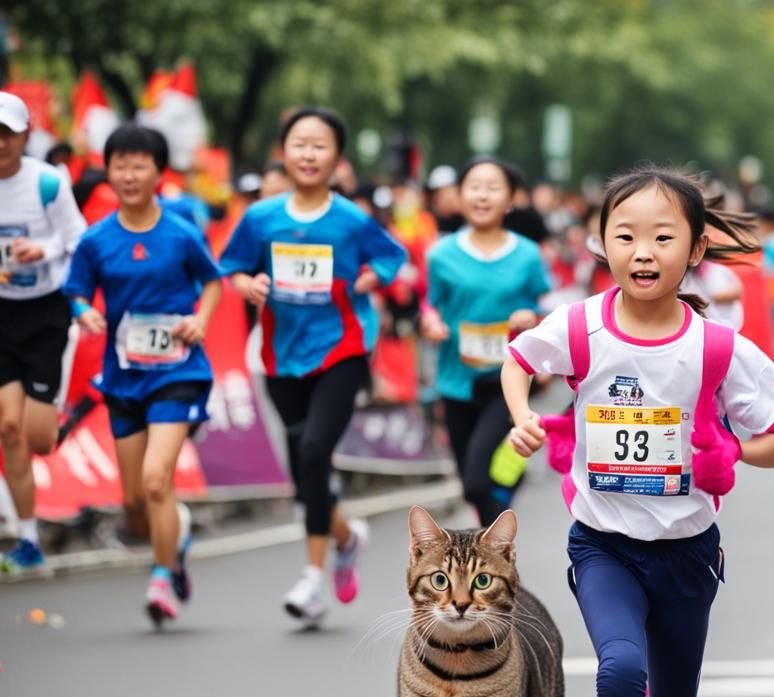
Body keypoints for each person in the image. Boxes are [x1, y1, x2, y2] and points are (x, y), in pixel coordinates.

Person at [502, 167, 774, 697]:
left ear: (694, 249)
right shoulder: (579, 328)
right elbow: (518, 361)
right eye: (625, 235)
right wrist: (524, 417)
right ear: (600, 244)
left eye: (663, 237)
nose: (643, 251)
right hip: (603, 544)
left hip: (686, 554)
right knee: (618, 672)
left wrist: (729, 453)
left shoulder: (718, 348)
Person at [220, 107, 407, 625]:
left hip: (342, 349)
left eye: (319, 145)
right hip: (280, 354)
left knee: (313, 450)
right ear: (283, 152)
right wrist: (250, 285)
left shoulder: (351, 219)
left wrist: (370, 279)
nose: (308, 154)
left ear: (337, 158)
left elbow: (391, 257)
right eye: (298, 144)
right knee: (306, 471)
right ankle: (346, 538)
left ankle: (311, 580)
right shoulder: (261, 218)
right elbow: (231, 267)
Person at [64, 125, 221, 623]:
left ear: (158, 172)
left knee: (157, 480)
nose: (129, 176)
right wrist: (84, 311)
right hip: (124, 376)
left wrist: (200, 320)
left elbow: (212, 281)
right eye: (120, 166)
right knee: (134, 502)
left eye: (139, 165)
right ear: (108, 171)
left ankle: (161, 577)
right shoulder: (96, 240)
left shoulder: (181, 232)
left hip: (177, 371)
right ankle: (177, 537)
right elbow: (76, 291)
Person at [419, 156, 551, 526]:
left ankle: (500, 544)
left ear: (510, 200)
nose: (482, 195)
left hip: (505, 380)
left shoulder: (527, 255)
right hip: (456, 380)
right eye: (473, 187)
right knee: (471, 484)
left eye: (493, 188)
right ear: (459, 196)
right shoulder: (440, 255)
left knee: (477, 482)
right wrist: (429, 321)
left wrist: (531, 318)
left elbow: (543, 307)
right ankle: (501, 515)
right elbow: (429, 303)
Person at [0, 91, 86, 574]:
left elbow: (79, 238)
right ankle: (28, 538)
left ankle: (57, 416)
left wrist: (44, 250)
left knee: (38, 440)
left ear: (25, 135)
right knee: (7, 427)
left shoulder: (48, 182)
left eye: (7, 134)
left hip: (45, 314)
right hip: (1, 314)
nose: (0, 144)